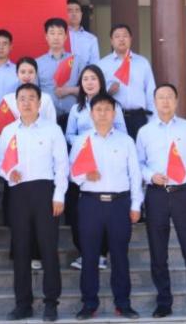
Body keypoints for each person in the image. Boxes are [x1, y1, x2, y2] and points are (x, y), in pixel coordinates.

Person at [137, 83, 186, 319]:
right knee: (158, 252)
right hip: (156, 194)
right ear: (154, 102)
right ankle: (163, 302)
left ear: (177, 101)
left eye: (170, 96)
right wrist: (151, 175)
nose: (165, 101)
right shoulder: (145, 132)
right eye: (161, 97)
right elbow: (138, 164)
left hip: (183, 194)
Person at [0, 83, 68, 323]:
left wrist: (59, 195)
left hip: (45, 192)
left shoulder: (52, 130)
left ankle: (51, 303)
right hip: (18, 193)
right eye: (22, 99)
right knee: (21, 250)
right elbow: (0, 161)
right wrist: (9, 173)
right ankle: (23, 304)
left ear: (39, 102)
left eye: (31, 98)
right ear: (16, 103)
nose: (26, 103)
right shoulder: (8, 131)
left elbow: (62, 165)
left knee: (48, 249)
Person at [69, 94, 142, 320]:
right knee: (89, 256)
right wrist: (85, 175)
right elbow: (71, 173)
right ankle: (89, 304)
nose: (102, 113)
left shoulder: (125, 141)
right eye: (98, 109)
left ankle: (123, 303)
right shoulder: (82, 141)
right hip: (90, 204)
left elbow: (135, 175)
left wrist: (136, 204)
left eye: (107, 109)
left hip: (119, 204)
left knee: (120, 256)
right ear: (91, 114)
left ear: (114, 113)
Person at [65, 65, 125, 270]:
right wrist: (86, 142)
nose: (89, 82)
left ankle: (101, 254)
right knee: (79, 211)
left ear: (101, 81)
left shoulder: (114, 107)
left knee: (104, 210)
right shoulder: (77, 109)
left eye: (93, 78)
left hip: (107, 163)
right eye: (85, 79)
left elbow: (123, 133)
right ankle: (84, 252)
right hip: (82, 163)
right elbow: (69, 135)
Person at [99, 24, 156, 139]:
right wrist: (108, 92)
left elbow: (151, 92)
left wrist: (152, 119)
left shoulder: (142, 63)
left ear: (130, 39)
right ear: (111, 41)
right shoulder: (102, 64)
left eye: (125, 36)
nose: (121, 39)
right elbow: (97, 93)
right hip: (114, 117)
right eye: (117, 36)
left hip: (139, 117)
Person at [36, 18, 83, 128]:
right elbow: (33, 92)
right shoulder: (37, 63)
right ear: (46, 37)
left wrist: (70, 90)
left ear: (65, 37)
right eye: (52, 33)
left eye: (60, 33)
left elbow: (88, 89)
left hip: (73, 118)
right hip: (46, 119)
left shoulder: (77, 61)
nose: (56, 37)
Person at [0, 57, 57, 125]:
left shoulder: (46, 98)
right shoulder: (7, 99)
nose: (27, 76)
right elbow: (1, 127)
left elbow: (52, 124)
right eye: (23, 72)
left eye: (31, 72)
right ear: (17, 74)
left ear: (36, 74)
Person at [66, 0, 100, 67]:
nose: (74, 14)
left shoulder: (91, 38)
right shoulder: (60, 36)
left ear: (81, 14)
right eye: (70, 11)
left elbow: (95, 64)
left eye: (77, 10)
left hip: (85, 73)